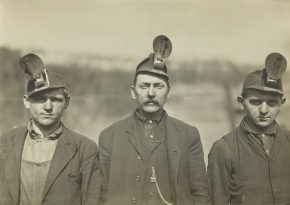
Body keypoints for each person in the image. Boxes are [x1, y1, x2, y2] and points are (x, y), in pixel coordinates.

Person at [98, 35, 211, 205]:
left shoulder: (188, 135)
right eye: (144, 86)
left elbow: (201, 194)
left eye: (158, 86)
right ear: (133, 91)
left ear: (168, 92)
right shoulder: (110, 136)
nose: (151, 93)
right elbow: (101, 195)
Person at [0, 53, 100, 205]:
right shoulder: (6, 143)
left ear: (67, 103)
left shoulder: (84, 149)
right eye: (40, 99)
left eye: (55, 99)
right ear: (27, 101)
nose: (48, 107)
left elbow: (92, 200)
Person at [207, 52, 290, 205]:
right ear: (241, 102)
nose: (264, 110)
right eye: (256, 102)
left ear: (281, 103)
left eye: (272, 103)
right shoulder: (224, 149)